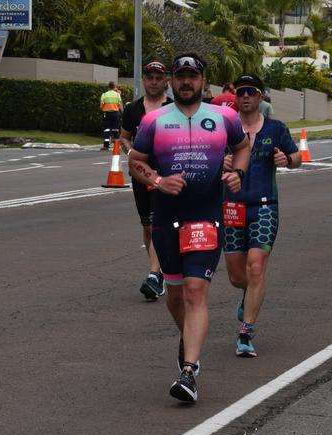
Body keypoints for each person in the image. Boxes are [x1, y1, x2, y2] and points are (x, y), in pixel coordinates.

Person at [129, 54, 250, 404]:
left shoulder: (224, 117)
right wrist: (157, 181)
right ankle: (189, 336)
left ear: (202, 80)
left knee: (197, 290)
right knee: (178, 295)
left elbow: (242, 147)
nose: (186, 82)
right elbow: (135, 161)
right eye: (180, 76)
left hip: (205, 214)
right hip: (167, 216)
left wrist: (237, 174)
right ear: (171, 80)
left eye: (192, 76)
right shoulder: (154, 121)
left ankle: (189, 371)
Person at [222, 74, 301, 357]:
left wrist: (287, 160)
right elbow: (210, 162)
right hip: (231, 206)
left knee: (256, 266)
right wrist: (222, 161)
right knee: (236, 275)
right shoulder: (224, 128)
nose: (245, 97)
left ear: (260, 97)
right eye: (241, 92)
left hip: (265, 205)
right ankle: (248, 295)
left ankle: (246, 332)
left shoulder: (276, 129)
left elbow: (296, 158)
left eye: (251, 92)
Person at [119, 61, 172, 301]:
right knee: (148, 226)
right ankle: (159, 270)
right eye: (149, 77)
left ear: (166, 82)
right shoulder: (133, 109)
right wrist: (130, 154)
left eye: (158, 78)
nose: (153, 81)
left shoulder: (173, 108)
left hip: (165, 175)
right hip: (140, 173)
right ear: (143, 80)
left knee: (160, 222)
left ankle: (154, 274)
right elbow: (124, 138)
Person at [99, 81, 123, 150]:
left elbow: (101, 105)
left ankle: (106, 146)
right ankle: (116, 147)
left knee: (107, 129)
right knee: (115, 129)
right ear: (114, 87)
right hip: (116, 114)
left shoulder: (104, 95)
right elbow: (120, 105)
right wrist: (122, 112)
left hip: (107, 114)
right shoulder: (117, 95)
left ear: (108, 87)